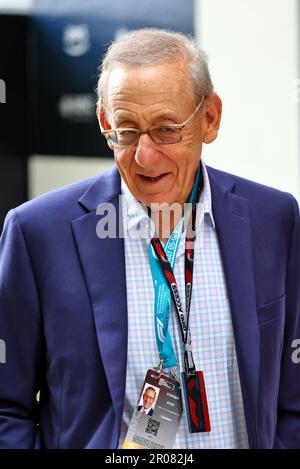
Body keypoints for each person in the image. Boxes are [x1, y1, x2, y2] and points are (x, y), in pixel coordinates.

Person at [0, 28, 299, 449]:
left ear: (210, 119)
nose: (145, 155)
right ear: (105, 122)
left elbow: (293, 397)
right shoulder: (37, 234)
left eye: (165, 129)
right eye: (126, 130)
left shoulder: (275, 219)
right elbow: (6, 407)